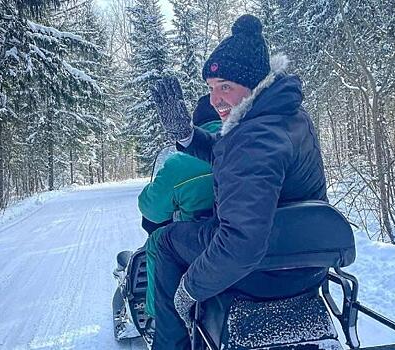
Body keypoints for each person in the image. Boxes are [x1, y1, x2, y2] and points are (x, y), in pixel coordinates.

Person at [150, 14, 328, 350]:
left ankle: (171, 343)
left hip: (263, 269)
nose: (215, 100)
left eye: (225, 87)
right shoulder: (283, 116)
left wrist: (190, 288)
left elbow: (240, 244)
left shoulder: (254, 137)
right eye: (211, 88)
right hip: (304, 256)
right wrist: (187, 137)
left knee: (164, 241)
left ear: (253, 83)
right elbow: (238, 160)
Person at [138, 94, 221, 318]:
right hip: (250, 239)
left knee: (159, 241)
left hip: (200, 244)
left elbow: (151, 210)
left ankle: (160, 316)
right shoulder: (248, 147)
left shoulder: (178, 163)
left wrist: (151, 190)